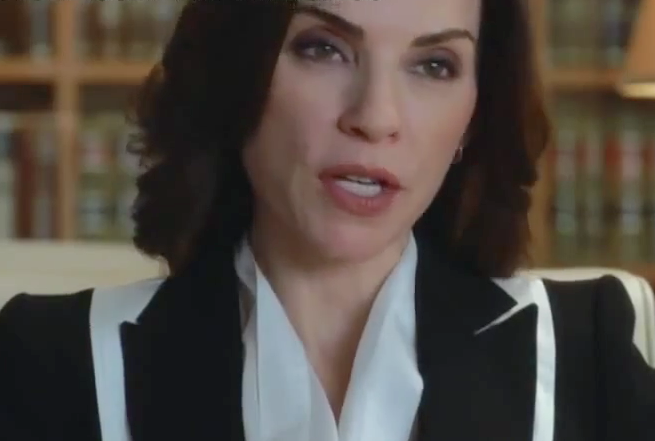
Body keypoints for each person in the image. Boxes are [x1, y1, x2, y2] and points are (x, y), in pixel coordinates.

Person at [1, 0, 654, 440]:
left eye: (434, 65)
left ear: (473, 119)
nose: (375, 117)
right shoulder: (55, 357)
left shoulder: (589, 350)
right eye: (323, 49)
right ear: (239, 73)